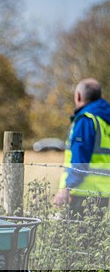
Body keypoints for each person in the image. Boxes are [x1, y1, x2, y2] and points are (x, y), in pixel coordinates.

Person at [53, 78, 110, 218]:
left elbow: (80, 160)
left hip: (81, 193)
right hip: (103, 192)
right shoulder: (105, 121)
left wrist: (67, 188)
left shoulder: (86, 120)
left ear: (78, 96)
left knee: (74, 237)